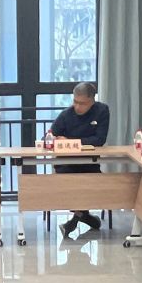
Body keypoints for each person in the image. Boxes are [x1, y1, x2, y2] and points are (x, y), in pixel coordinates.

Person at [48, 81, 112, 233]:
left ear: (92, 100)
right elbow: (49, 136)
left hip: (89, 163)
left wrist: (70, 141)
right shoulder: (66, 114)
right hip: (66, 163)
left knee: (91, 183)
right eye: (75, 102)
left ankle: (77, 218)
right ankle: (83, 216)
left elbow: (99, 139)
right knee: (71, 183)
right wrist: (54, 139)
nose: (77, 107)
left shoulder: (102, 111)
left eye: (82, 103)